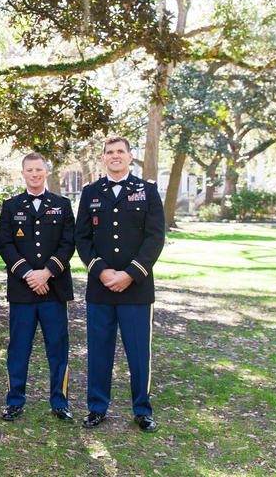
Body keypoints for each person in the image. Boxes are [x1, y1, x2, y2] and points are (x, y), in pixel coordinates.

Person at [74, 136, 165, 432]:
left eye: (120, 152)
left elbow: (155, 237)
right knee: (99, 351)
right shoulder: (90, 192)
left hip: (136, 287)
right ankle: (97, 407)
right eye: (110, 152)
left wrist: (130, 273)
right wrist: (101, 271)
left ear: (130, 156)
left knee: (139, 353)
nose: (115, 156)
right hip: (100, 287)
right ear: (103, 158)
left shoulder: (147, 190)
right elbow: (82, 238)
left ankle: (142, 410)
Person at [0, 153, 76, 422]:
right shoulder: (10, 206)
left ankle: (60, 401)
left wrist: (47, 273)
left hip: (55, 289)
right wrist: (29, 274)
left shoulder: (62, 204)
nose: (34, 174)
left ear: (46, 172)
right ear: (23, 174)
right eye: (29, 170)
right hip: (22, 289)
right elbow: (5, 244)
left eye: (38, 170)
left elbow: (68, 243)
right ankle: (14, 400)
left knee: (58, 347)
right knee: (19, 348)